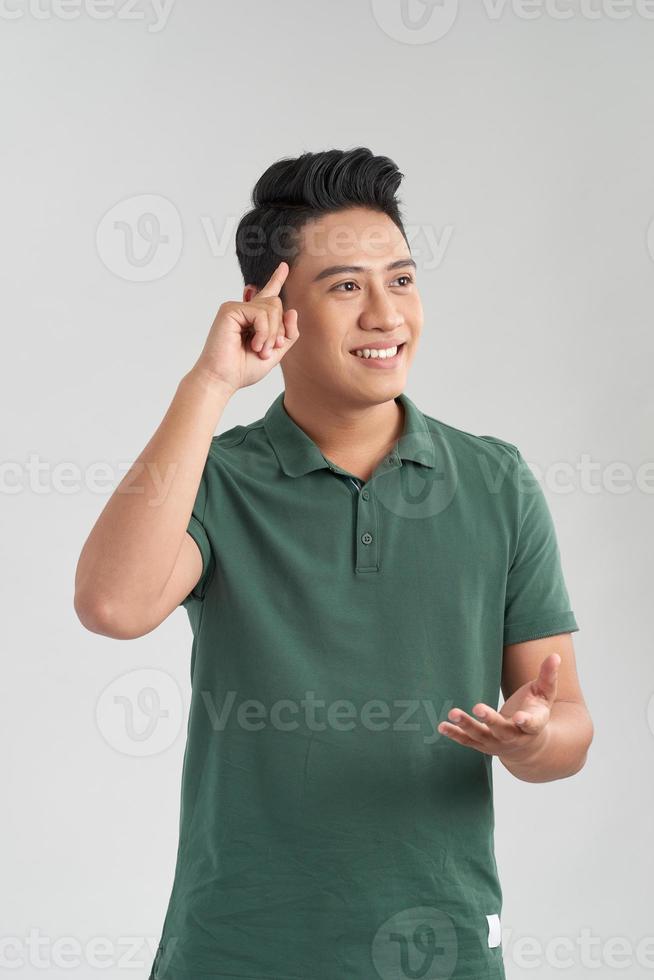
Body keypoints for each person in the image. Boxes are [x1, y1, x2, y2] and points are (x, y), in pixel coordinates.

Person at [74, 147, 594, 980]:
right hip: (236, 948)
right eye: (346, 286)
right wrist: (211, 382)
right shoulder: (216, 479)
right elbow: (111, 605)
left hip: (443, 946)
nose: (387, 315)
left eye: (403, 279)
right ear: (269, 308)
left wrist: (531, 738)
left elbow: (568, 725)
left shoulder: (496, 481)